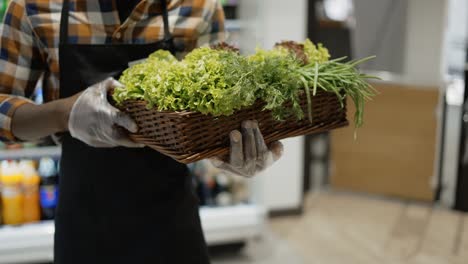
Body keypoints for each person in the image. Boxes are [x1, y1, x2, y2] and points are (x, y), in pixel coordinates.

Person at [0, 0, 283, 263]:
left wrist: (231, 151)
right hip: (84, 225)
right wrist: (66, 114)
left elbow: (216, 112)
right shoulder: (34, 7)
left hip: (172, 224)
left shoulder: (197, 7)